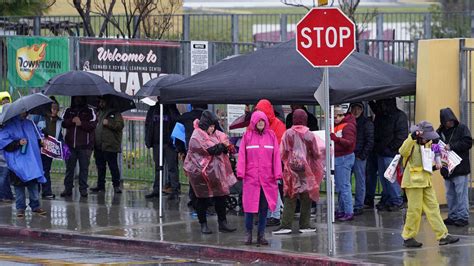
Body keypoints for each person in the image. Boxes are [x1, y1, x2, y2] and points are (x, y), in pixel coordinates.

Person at [400, 121, 459, 247]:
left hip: (426, 180)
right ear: (420, 135)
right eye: (428, 136)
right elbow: (402, 151)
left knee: (433, 208)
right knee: (414, 210)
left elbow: (435, 155)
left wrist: (439, 164)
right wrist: (412, 138)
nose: (429, 139)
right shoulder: (412, 142)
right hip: (413, 182)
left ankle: (443, 235)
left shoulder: (430, 143)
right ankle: (408, 237)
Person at [183, 110, 237, 234]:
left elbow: (223, 142)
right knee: (202, 199)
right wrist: (223, 146)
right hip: (199, 174)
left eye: (213, 126)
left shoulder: (215, 134)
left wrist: (225, 145)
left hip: (215, 173)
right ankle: (203, 224)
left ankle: (222, 223)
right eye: (210, 126)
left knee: (221, 197)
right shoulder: (197, 135)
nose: (212, 129)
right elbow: (212, 149)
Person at [273, 109, 323, 235]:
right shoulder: (309, 135)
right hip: (306, 170)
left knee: (290, 196)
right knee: (306, 197)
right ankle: (304, 225)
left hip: (291, 170)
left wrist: (288, 162)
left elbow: (282, 152)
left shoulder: (287, 133)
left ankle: (286, 225)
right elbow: (316, 153)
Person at [237, 111, 282, 245]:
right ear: (254, 122)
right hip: (251, 179)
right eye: (258, 120)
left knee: (264, 209)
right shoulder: (247, 136)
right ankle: (248, 233)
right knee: (249, 208)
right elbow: (242, 155)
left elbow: (276, 156)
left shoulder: (271, 136)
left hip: (267, 179)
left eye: (263, 120)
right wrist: (241, 172)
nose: (261, 123)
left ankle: (261, 235)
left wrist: (277, 173)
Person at [0, 112, 47, 218]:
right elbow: (4, 143)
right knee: (19, 187)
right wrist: (18, 143)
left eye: (26, 112)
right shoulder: (9, 126)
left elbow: (37, 137)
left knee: (33, 185)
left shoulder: (31, 124)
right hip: (17, 163)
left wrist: (41, 142)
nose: (25, 114)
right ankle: (20, 208)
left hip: (31, 162)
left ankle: (36, 206)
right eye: (22, 112)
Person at [369, 98, 407, 211]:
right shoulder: (384, 115)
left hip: (391, 152)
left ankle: (396, 200)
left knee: (390, 178)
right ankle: (389, 198)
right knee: (384, 178)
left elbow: (401, 136)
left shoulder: (397, 116)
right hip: (383, 151)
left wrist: (389, 148)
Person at [437, 108, 472, 227]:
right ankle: (453, 216)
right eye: (447, 121)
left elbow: (468, 143)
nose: (449, 122)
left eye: (451, 120)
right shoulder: (439, 132)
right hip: (447, 168)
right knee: (450, 194)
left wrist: (452, 146)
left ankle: (462, 217)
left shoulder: (462, 128)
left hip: (460, 168)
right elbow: (436, 146)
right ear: (443, 121)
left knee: (460, 193)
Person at [254, 99, 285, 227]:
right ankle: (270, 215)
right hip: (264, 163)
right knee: (268, 191)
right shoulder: (276, 125)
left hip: (272, 163)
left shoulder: (276, 126)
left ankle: (275, 215)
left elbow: (279, 147)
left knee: (273, 190)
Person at [60, 96, 97, 198]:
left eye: (80, 97)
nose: (78, 99)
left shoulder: (90, 111)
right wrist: (72, 120)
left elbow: (93, 125)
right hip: (70, 145)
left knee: (84, 168)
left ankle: (83, 189)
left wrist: (81, 123)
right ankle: (68, 189)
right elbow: (63, 123)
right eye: (76, 97)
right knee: (69, 168)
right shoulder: (68, 110)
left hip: (84, 146)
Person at [144, 103, 181, 199]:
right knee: (158, 168)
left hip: (169, 144)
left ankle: (175, 190)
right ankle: (156, 189)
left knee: (172, 167)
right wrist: (148, 140)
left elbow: (177, 122)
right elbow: (148, 124)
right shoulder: (153, 109)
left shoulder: (171, 108)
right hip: (157, 143)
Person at [90, 96, 124, 194]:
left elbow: (120, 125)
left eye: (103, 102)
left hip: (110, 145)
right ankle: (100, 185)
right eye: (100, 101)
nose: (101, 103)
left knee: (113, 166)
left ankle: (116, 185)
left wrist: (109, 123)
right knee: (100, 166)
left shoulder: (115, 113)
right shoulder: (98, 113)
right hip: (99, 145)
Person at [331, 106, 357, 221]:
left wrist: (336, 140)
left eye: (337, 116)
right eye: (334, 116)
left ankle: (348, 211)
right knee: (341, 186)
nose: (335, 118)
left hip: (343, 158)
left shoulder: (347, 126)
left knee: (344, 186)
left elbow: (350, 143)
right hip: (341, 157)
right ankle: (343, 210)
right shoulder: (343, 125)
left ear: (342, 115)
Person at [36, 96, 63, 199]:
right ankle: (38, 190)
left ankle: (46, 191)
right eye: (52, 108)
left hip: (50, 149)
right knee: (39, 169)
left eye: (56, 109)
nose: (54, 111)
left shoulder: (59, 121)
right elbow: (35, 129)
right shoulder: (41, 117)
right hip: (39, 147)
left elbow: (59, 135)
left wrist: (60, 145)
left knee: (46, 169)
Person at [349, 102, 374, 215]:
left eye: (358, 108)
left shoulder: (366, 123)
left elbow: (370, 141)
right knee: (346, 182)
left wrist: (362, 155)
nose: (356, 111)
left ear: (362, 110)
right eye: (354, 108)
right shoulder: (349, 121)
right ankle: (348, 204)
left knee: (360, 182)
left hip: (359, 156)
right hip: (349, 154)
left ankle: (358, 205)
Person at [0, 92, 13, 203]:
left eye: (7, 100)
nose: (5, 102)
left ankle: (8, 195)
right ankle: (3, 196)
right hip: (4, 150)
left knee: (6, 175)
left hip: (6, 150)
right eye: (3, 100)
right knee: (4, 175)